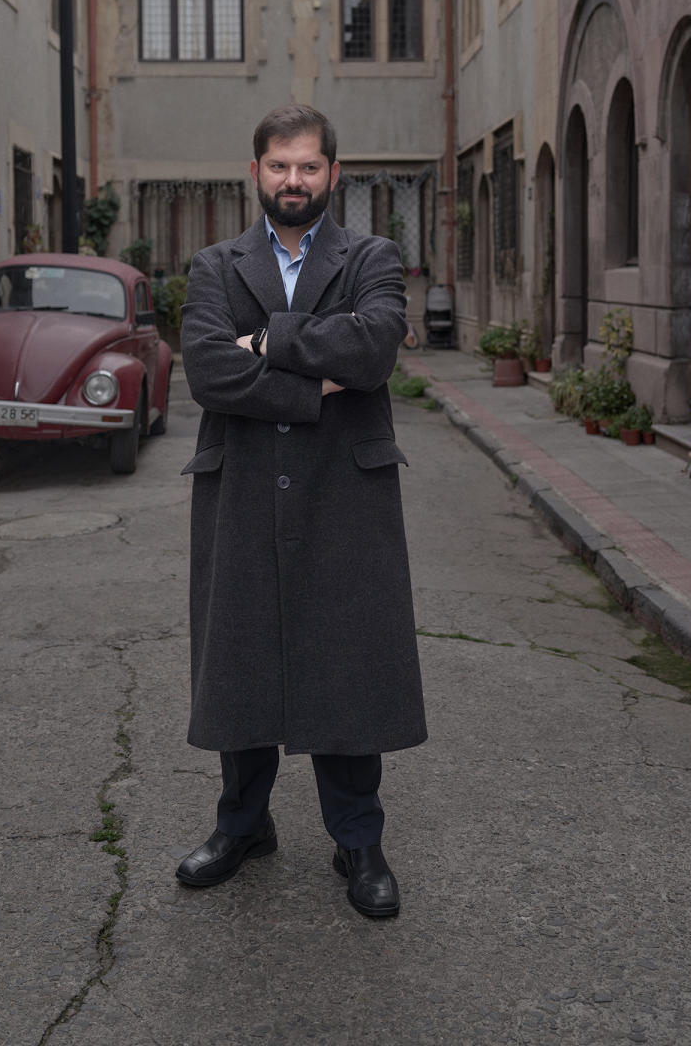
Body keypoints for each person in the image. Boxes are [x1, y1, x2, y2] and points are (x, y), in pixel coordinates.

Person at [176, 103, 426, 919]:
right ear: (256, 173)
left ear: (333, 174)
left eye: (309, 167)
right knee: (241, 663)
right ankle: (242, 827)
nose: (294, 181)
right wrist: (318, 360)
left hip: (343, 494)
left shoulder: (374, 256)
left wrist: (268, 343)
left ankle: (359, 841)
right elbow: (209, 373)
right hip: (242, 487)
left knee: (347, 670)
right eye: (279, 166)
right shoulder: (215, 265)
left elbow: (374, 349)